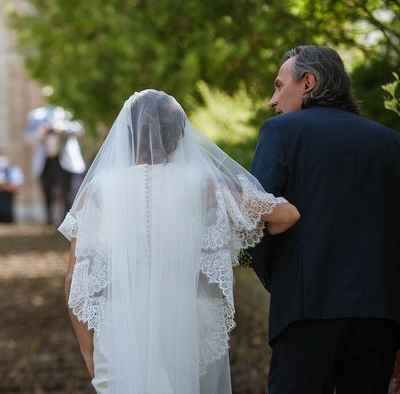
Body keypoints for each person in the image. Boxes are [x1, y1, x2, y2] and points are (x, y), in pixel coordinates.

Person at [59, 90, 299, 393]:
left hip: (120, 331)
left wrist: (87, 351)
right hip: (186, 327)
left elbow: (73, 280)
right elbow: (287, 215)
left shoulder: (98, 191)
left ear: (127, 133)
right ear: (179, 133)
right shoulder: (205, 182)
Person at [249, 45, 400, 394]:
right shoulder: (391, 143)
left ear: (308, 82)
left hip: (306, 310)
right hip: (380, 317)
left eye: (278, 85)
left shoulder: (280, 132)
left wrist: (285, 280)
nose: (273, 100)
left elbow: (254, 222)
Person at [25, 105, 86, 224]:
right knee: (46, 189)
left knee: (67, 190)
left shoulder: (68, 111)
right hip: (45, 159)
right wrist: (41, 132)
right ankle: (49, 219)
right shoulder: (35, 115)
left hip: (64, 158)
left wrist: (61, 129)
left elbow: (79, 129)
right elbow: (28, 136)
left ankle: (66, 220)